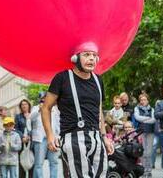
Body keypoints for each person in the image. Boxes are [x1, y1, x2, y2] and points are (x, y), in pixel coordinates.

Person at [41, 43, 114, 178]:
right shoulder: (62, 78)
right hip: (72, 137)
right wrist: (50, 135)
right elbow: (46, 108)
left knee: (102, 175)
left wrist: (104, 137)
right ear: (75, 58)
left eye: (94, 56)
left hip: (96, 137)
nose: (91, 58)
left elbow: (99, 111)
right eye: (86, 55)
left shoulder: (98, 80)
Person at [31, 92, 60, 178]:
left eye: (46, 97)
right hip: (40, 139)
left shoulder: (55, 109)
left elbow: (59, 123)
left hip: (53, 138)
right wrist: (39, 110)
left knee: (54, 162)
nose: (44, 99)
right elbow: (31, 118)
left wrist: (58, 137)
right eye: (43, 98)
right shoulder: (36, 108)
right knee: (39, 163)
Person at [134, 92, 155, 177]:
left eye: (144, 99)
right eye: (141, 100)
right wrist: (148, 118)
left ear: (148, 100)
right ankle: (142, 170)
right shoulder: (137, 108)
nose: (143, 101)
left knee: (149, 152)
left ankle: (148, 171)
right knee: (142, 152)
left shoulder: (152, 109)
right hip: (140, 132)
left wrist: (144, 120)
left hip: (150, 132)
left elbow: (154, 120)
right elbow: (137, 117)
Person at [15, 99, 33, 178]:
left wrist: (29, 136)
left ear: (28, 105)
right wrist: (22, 137)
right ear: (20, 107)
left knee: (31, 162)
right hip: (22, 142)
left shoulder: (33, 115)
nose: (24, 106)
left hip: (32, 142)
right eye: (22, 104)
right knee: (22, 163)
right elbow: (16, 128)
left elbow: (36, 127)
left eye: (25, 104)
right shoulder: (18, 116)